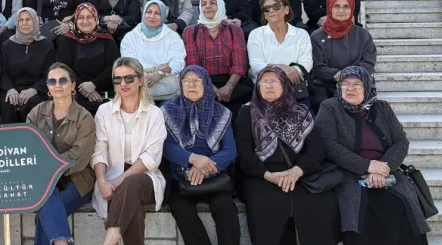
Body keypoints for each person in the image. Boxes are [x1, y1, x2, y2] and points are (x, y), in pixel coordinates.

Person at [315, 66, 430, 245]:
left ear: (367, 86)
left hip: (386, 170)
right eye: (345, 84)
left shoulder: (382, 107)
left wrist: (383, 168)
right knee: (359, 209)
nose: (350, 88)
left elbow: (401, 142)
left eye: (357, 84)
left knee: (401, 204)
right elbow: (328, 144)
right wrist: (366, 166)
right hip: (348, 172)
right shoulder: (330, 107)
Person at [235, 66, 339, 245]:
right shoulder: (247, 112)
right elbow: (244, 155)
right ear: (258, 86)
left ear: (285, 85)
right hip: (261, 176)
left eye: (274, 81)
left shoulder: (300, 112)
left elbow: (317, 149)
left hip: (299, 174)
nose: (269, 86)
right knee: (266, 206)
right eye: (264, 82)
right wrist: (269, 176)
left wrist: (297, 171)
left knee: (321, 203)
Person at [91, 57, 167, 245]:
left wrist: (117, 182)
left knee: (131, 184)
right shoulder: (104, 111)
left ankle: (109, 242)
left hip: (145, 177)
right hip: (110, 176)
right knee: (133, 208)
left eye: (129, 78)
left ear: (141, 80)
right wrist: (102, 181)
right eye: (117, 79)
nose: (123, 84)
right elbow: (99, 151)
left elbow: (151, 158)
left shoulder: (154, 113)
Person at [162, 66, 240, 245]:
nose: (191, 85)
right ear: (180, 85)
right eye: (187, 81)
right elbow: (166, 146)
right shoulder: (167, 110)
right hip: (181, 175)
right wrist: (193, 159)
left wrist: (205, 166)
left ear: (206, 84)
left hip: (213, 175)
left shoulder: (221, 112)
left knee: (225, 207)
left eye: (197, 81)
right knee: (181, 208)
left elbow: (230, 150)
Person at [27, 63, 96, 245]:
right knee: (47, 195)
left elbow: (79, 157)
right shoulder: (37, 112)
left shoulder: (84, 117)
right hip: (44, 180)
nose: (57, 85)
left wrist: (48, 167)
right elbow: (28, 148)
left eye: (63, 80)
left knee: (45, 206)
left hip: (77, 179)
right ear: (48, 86)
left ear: (73, 85)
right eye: (52, 81)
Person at [183, 0, 251, 115]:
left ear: (220, 6)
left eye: (213, 3)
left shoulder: (234, 30)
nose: (208, 6)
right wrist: (211, 88)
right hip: (202, 82)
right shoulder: (191, 31)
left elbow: (240, 63)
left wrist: (229, 86)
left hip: (232, 82)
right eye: (204, 4)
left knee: (239, 110)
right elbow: (193, 66)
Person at [311, 0, 377, 114]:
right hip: (326, 88)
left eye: (346, 6)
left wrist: (349, 75)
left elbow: (369, 62)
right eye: (336, 6)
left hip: (358, 86)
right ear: (329, 8)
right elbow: (317, 66)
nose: (341, 10)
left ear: (352, 9)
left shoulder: (362, 35)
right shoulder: (317, 36)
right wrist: (336, 74)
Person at [56, 3, 120, 113]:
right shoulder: (67, 40)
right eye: (81, 17)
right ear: (76, 20)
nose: (85, 21)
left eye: (89, 17)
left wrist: (93, 85)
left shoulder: (106, 39)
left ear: (95, 19)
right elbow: (64, 68)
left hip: (104, 90)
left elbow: (114, 66)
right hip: (76, 91)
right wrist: (86, 89)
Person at [120, 0, 186, 105]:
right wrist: (154, 71)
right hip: (139, 88)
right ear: (144, 13)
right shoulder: (130, 38)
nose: (152, 16)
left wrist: (159, 74)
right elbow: (130, 65)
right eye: (149, 12)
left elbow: (178, 62)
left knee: (168, 111)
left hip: (169, 91)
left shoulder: (172, 37)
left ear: (163, 16)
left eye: (157, 13)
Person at [0, 8, 56, 122]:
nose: (24, 23)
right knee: (8, 101)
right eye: (21, 20)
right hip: (14, 89)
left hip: (38, 90)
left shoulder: (47, 45)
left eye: (28, 19)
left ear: (35, 21)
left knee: (34, 102)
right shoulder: (7, 45)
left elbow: (50, 74)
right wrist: (10, 89)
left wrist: (35, 89)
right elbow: (3, 73)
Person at [247, 0, 313, 89]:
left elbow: (306, 62)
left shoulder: (301, 34)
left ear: (286, 10)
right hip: (265, 87)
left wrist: (291, 73)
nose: (271, 10)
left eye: (276, 6)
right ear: (264, 14)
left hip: (294, 85)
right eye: (266, 8)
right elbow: (256, 65)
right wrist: (281, 68)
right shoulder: (256, 34)